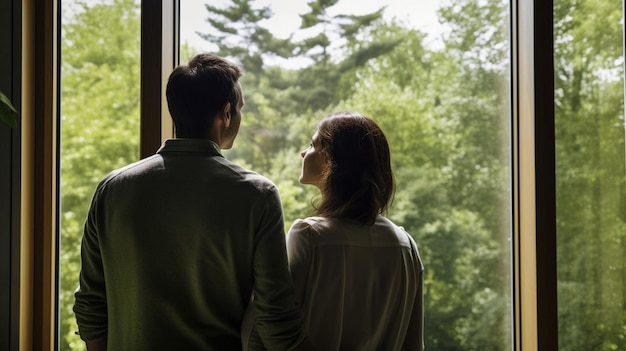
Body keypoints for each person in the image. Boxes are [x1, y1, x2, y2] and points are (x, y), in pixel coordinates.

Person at [73, 53, 311, 351]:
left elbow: (91, 303)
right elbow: (275, 317)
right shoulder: (256, 195)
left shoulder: (113, 189)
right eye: (239, 109)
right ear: (226, 113)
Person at [243, 111, 424, 351]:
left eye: (312, 144)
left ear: (332, 160)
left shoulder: (309, 236)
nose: (303, 152)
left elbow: (262, 326)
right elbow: (413, 344)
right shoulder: (405, 245)